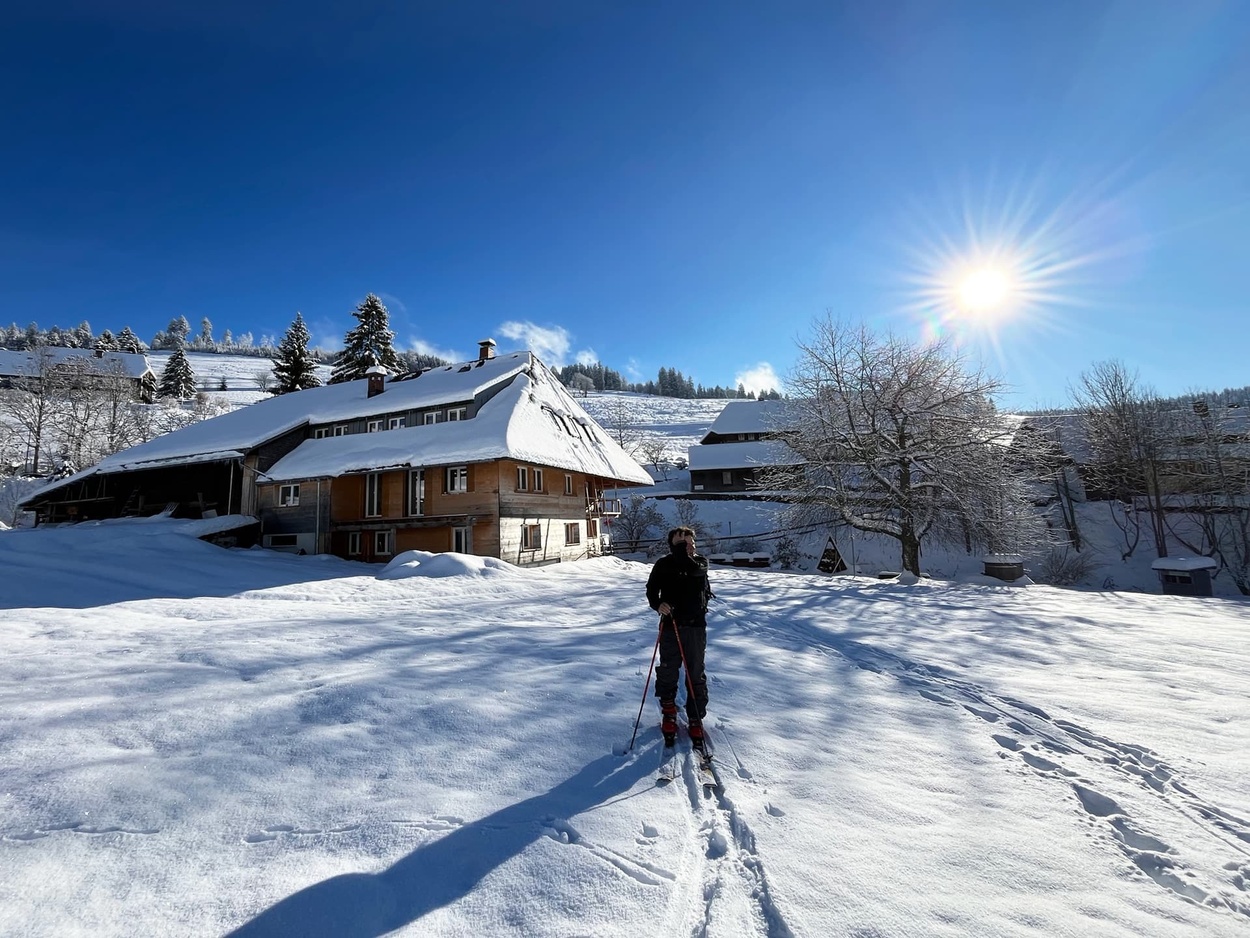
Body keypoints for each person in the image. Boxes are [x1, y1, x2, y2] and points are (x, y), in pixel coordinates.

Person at [645, 526, 714, 749]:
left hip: (695, 626)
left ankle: (695, 716)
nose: (688, 547)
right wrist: (658, 604)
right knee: (668, 669)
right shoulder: (663, 564)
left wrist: (681, 551)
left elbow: (693, 570)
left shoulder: (700, 562)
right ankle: (669, 711)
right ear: (672, 545)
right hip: (670, 625)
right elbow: (651, 590)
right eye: (682, 543)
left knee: (695, 672)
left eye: (691, 543)